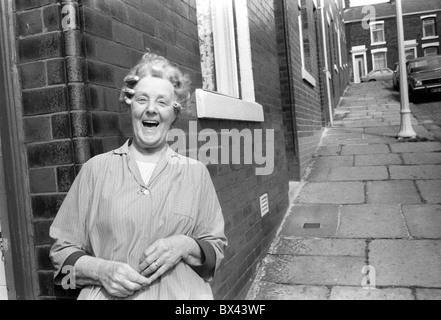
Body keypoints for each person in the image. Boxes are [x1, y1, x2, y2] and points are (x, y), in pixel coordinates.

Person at [49, 53, 227, 300]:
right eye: (142, 99)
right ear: (130, 105)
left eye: (162, 102)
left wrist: (185, 246)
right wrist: (101, 271)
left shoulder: (195, 173)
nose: (151, 109)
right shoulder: (95, 170)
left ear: (174, 114)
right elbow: (62, 269)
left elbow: (214, 256)